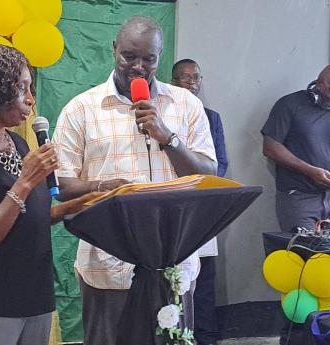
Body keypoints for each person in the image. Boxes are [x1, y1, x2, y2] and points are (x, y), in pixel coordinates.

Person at [52, 16, 217, 345]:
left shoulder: (186, 105)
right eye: (129, 56)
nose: (139, 67)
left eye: (149, 59)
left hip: (174, 264)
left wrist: (168, 137)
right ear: (114, 50)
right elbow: (62, 186)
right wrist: (102, 186)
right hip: (108, 268)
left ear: (160, 55)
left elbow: (208, 175)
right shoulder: (81, 109)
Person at [0, 43, 98, 345]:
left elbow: (31, 217)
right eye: (22, 88)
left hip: (35, 296)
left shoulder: (16, 144)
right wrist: (25, 182)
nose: (31, 101)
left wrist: (92, 199)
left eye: (31, 88)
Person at [261, 64, 330, 345]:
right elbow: (270, 147)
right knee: (301, 268)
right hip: (298, 198)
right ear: (318, 84)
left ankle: (327, 335)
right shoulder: (290, 105)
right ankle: (294, 337)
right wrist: (310, 170)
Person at [172, 58, 228, 345]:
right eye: (185, 78)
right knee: (175, 280)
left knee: (203, 279)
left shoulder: (211, 117)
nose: (192, 83)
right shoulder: (162, 114)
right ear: (173, 82)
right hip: (172, 208)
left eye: (196, 78)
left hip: (204, 207)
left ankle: (205, 337)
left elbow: (219, 164)